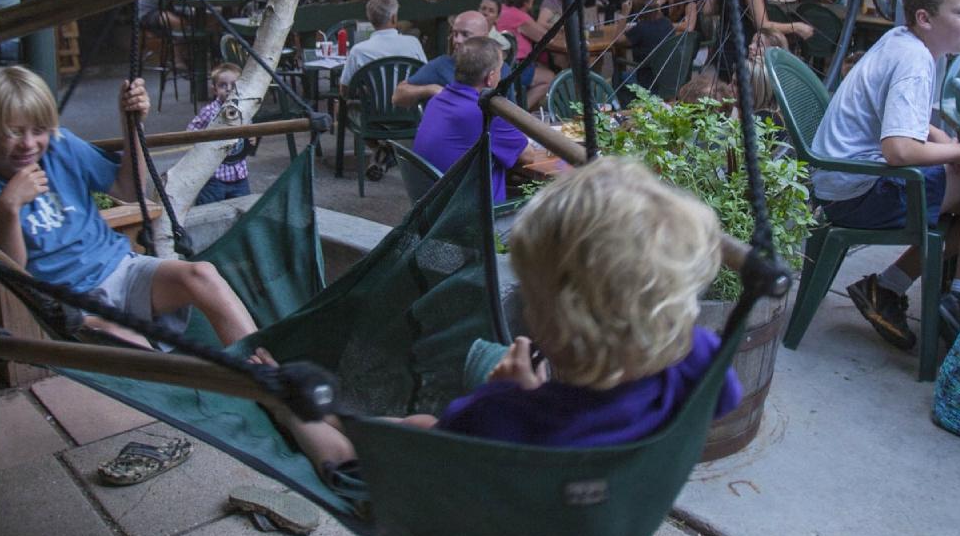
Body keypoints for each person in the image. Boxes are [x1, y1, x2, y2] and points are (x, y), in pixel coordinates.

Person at [264, 155, 742, 469]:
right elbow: (725, 399)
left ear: (551, 322)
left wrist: (508, 391)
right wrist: (535, 394)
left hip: (465, 505)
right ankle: (337, 417)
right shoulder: (702, 358)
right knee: (419, 427)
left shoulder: (500, 415)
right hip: (577, 496)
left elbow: (469, 430)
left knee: (370, 447)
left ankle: (291, 413)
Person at [0, 67, 262, 350]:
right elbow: (12, 277)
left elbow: (128, 191)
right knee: (128, 342)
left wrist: (132, 125)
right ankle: (186, 390)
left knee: (202, 274)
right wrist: (9, 208)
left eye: (39, 129)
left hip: (122, 269)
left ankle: (270, 374)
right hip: (72, 302)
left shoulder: (62, 148)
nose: (29, 144)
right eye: (14, 132)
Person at [809, 0, 960, 353]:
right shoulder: (916, 62)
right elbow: (898, 150)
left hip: (839, 183)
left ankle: (889, 287)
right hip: (858, 192)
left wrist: (938, 135)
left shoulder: (901, 39)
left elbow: (894, 114)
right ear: (925, 18)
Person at [415, 38, 553, 201]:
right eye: (501, 69)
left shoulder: (437, 100)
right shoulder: (485, 111)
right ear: (491, 77)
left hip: (436, 208)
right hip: (473, 215)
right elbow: (530, 157)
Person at [394, 10, 492, 109]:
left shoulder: (499, 68)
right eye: (455, 34)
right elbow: (398, 96)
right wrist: (430, 89)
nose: (457, 40)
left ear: (484, 37)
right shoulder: (442, 65)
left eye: (465, 34)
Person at [189, 63, 257, 204]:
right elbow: (191, 131)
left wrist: (252, 139)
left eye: (234, 85)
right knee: (209, 212)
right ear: (214, 89)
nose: (229, 89)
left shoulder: (244, 109)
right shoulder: (210, 111)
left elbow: (249, 133)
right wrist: (206, 140)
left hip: (239, 175)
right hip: (214, 177)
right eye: (223, 85)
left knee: (243, 208)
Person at [620, 0, 697, 94]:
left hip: (692, 50)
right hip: (670, 51)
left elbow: (689, 27)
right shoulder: (664, 8)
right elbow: (652, 18)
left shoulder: (690, 5)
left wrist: (668, 25)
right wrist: (659, 2)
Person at [340, 0, 426, 85]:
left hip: (372, 99)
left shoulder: (358, 51)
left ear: (371, 20)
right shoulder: (413, 43)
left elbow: (345, 89)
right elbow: (425, 75)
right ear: (393, 18)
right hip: (408, 98)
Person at [498, 0, 555, 109]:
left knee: (543, 68)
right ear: (526, 0)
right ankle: (518, 113)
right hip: (514, 67)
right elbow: (546, 39)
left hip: (501, 64)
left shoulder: (503, 9)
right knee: (550, 78)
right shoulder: (520, 17)